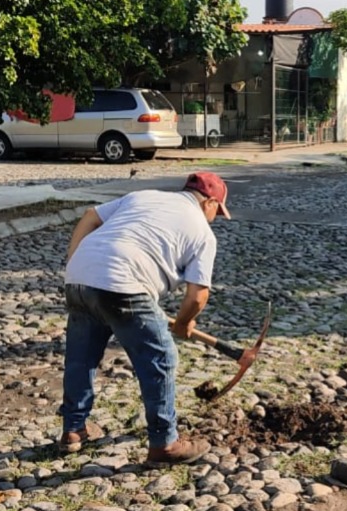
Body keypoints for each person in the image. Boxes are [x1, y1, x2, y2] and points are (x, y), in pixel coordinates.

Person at [60, 172, 231, 466]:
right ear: (210, 203)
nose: (215, 219)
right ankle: (165, 443)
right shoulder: (202, 232)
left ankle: (73, 429)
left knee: (81, 357)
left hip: (78, 278)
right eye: (218, 212)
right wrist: (183, 323)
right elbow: (197, 296)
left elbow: (90, 216)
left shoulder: (143, 196)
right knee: (160, 357)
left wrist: (76, 261)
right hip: (124, 284)